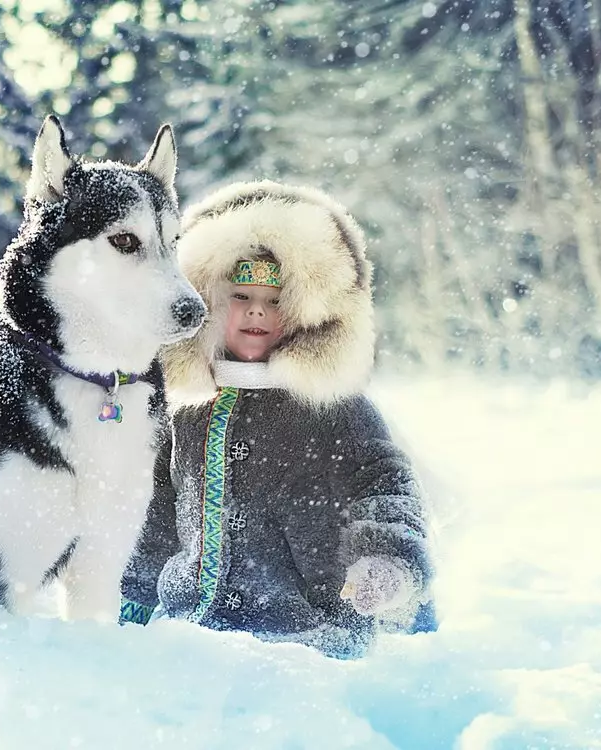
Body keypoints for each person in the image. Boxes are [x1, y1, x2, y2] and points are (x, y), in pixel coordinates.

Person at [120, 181, 436, 658]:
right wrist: (135, 595)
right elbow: (162, 507)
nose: (257, 312)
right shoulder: (186, 411)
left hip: (308, 636)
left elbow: (386, 483)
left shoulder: (333, 406)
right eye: (241, 296)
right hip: (191, 634)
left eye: (275, 300)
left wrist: (386, 559)